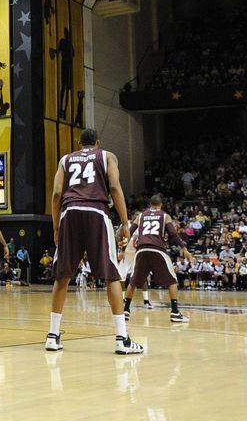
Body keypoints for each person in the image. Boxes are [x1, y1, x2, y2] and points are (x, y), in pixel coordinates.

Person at [46, 128, 143, 354]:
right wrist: (125, 222)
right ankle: (122, 338)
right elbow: (115, 187)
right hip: (97, 212)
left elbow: (56, 194)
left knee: (63, 275)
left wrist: (56, 226)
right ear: (97, 143)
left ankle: (52, 335)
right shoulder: (107, 156)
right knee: (111, 275)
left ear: (79, 143)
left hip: (69, 213)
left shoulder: (65, 159)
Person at [123, 195, 192, 323]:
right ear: (161, 205)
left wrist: (122, 250)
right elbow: (173, 234)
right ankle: (175, 312)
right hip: (157, 249)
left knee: (133, 281)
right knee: (172, 281)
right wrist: (185, 249)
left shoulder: (141, 216)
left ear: (150, 204)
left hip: (141, 249)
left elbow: (129, 233)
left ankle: (125, 311)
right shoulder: (165, 215)